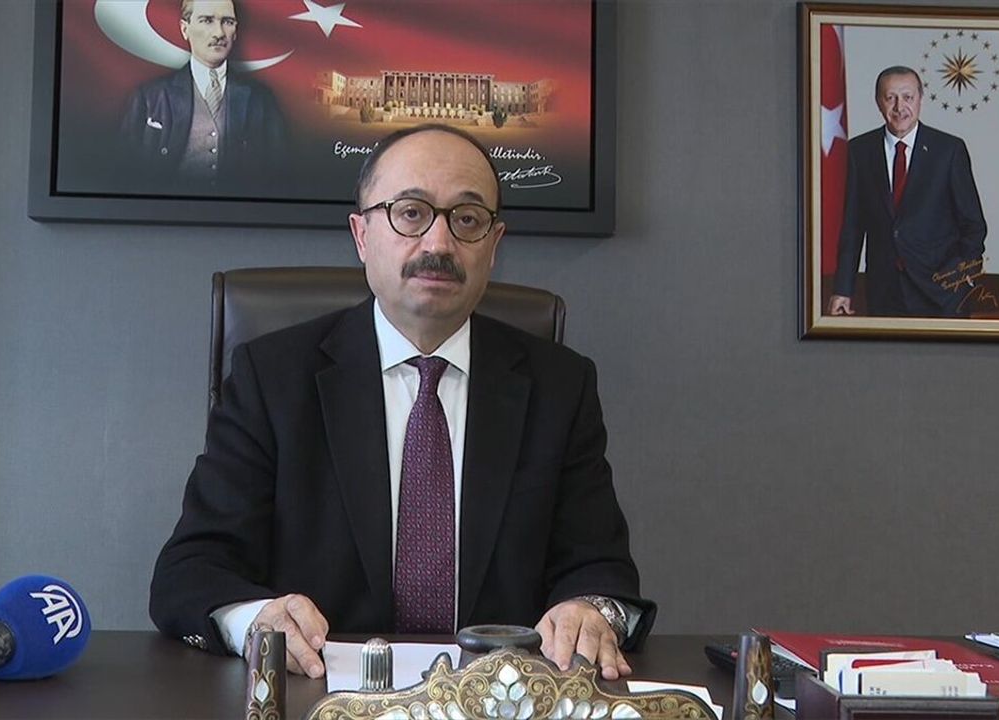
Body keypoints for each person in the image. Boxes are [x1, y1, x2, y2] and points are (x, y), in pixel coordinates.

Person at [150, 124, 652, 682]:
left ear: (494, 245)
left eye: (467, 219)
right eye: (410, 213)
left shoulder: (560, 386)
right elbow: (191, 570)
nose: (438, 245)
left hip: (496, 700)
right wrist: (257, 622)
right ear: (361, 234)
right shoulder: (272, 378)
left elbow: (602, 571)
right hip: (322, 697)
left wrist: (590, 612)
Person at [828, 66, 988, 317]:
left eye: (907, 97)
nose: (899, 107)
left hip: (942, 294)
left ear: (920, 99)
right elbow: (853, 227)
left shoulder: (949, 150)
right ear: (878, 102)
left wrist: (957, 276)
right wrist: (843, 289)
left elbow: (973, 225)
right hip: (884, 291)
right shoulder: (860, 151)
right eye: (890, 97)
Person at [118, 0, 286, 193]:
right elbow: (125, 177)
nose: (219, 33)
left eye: (227, 22)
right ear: (185, 29)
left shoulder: (261, 100)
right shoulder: (149, 98)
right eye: (207, 20)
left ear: (236, 31)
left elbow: (277, 178)